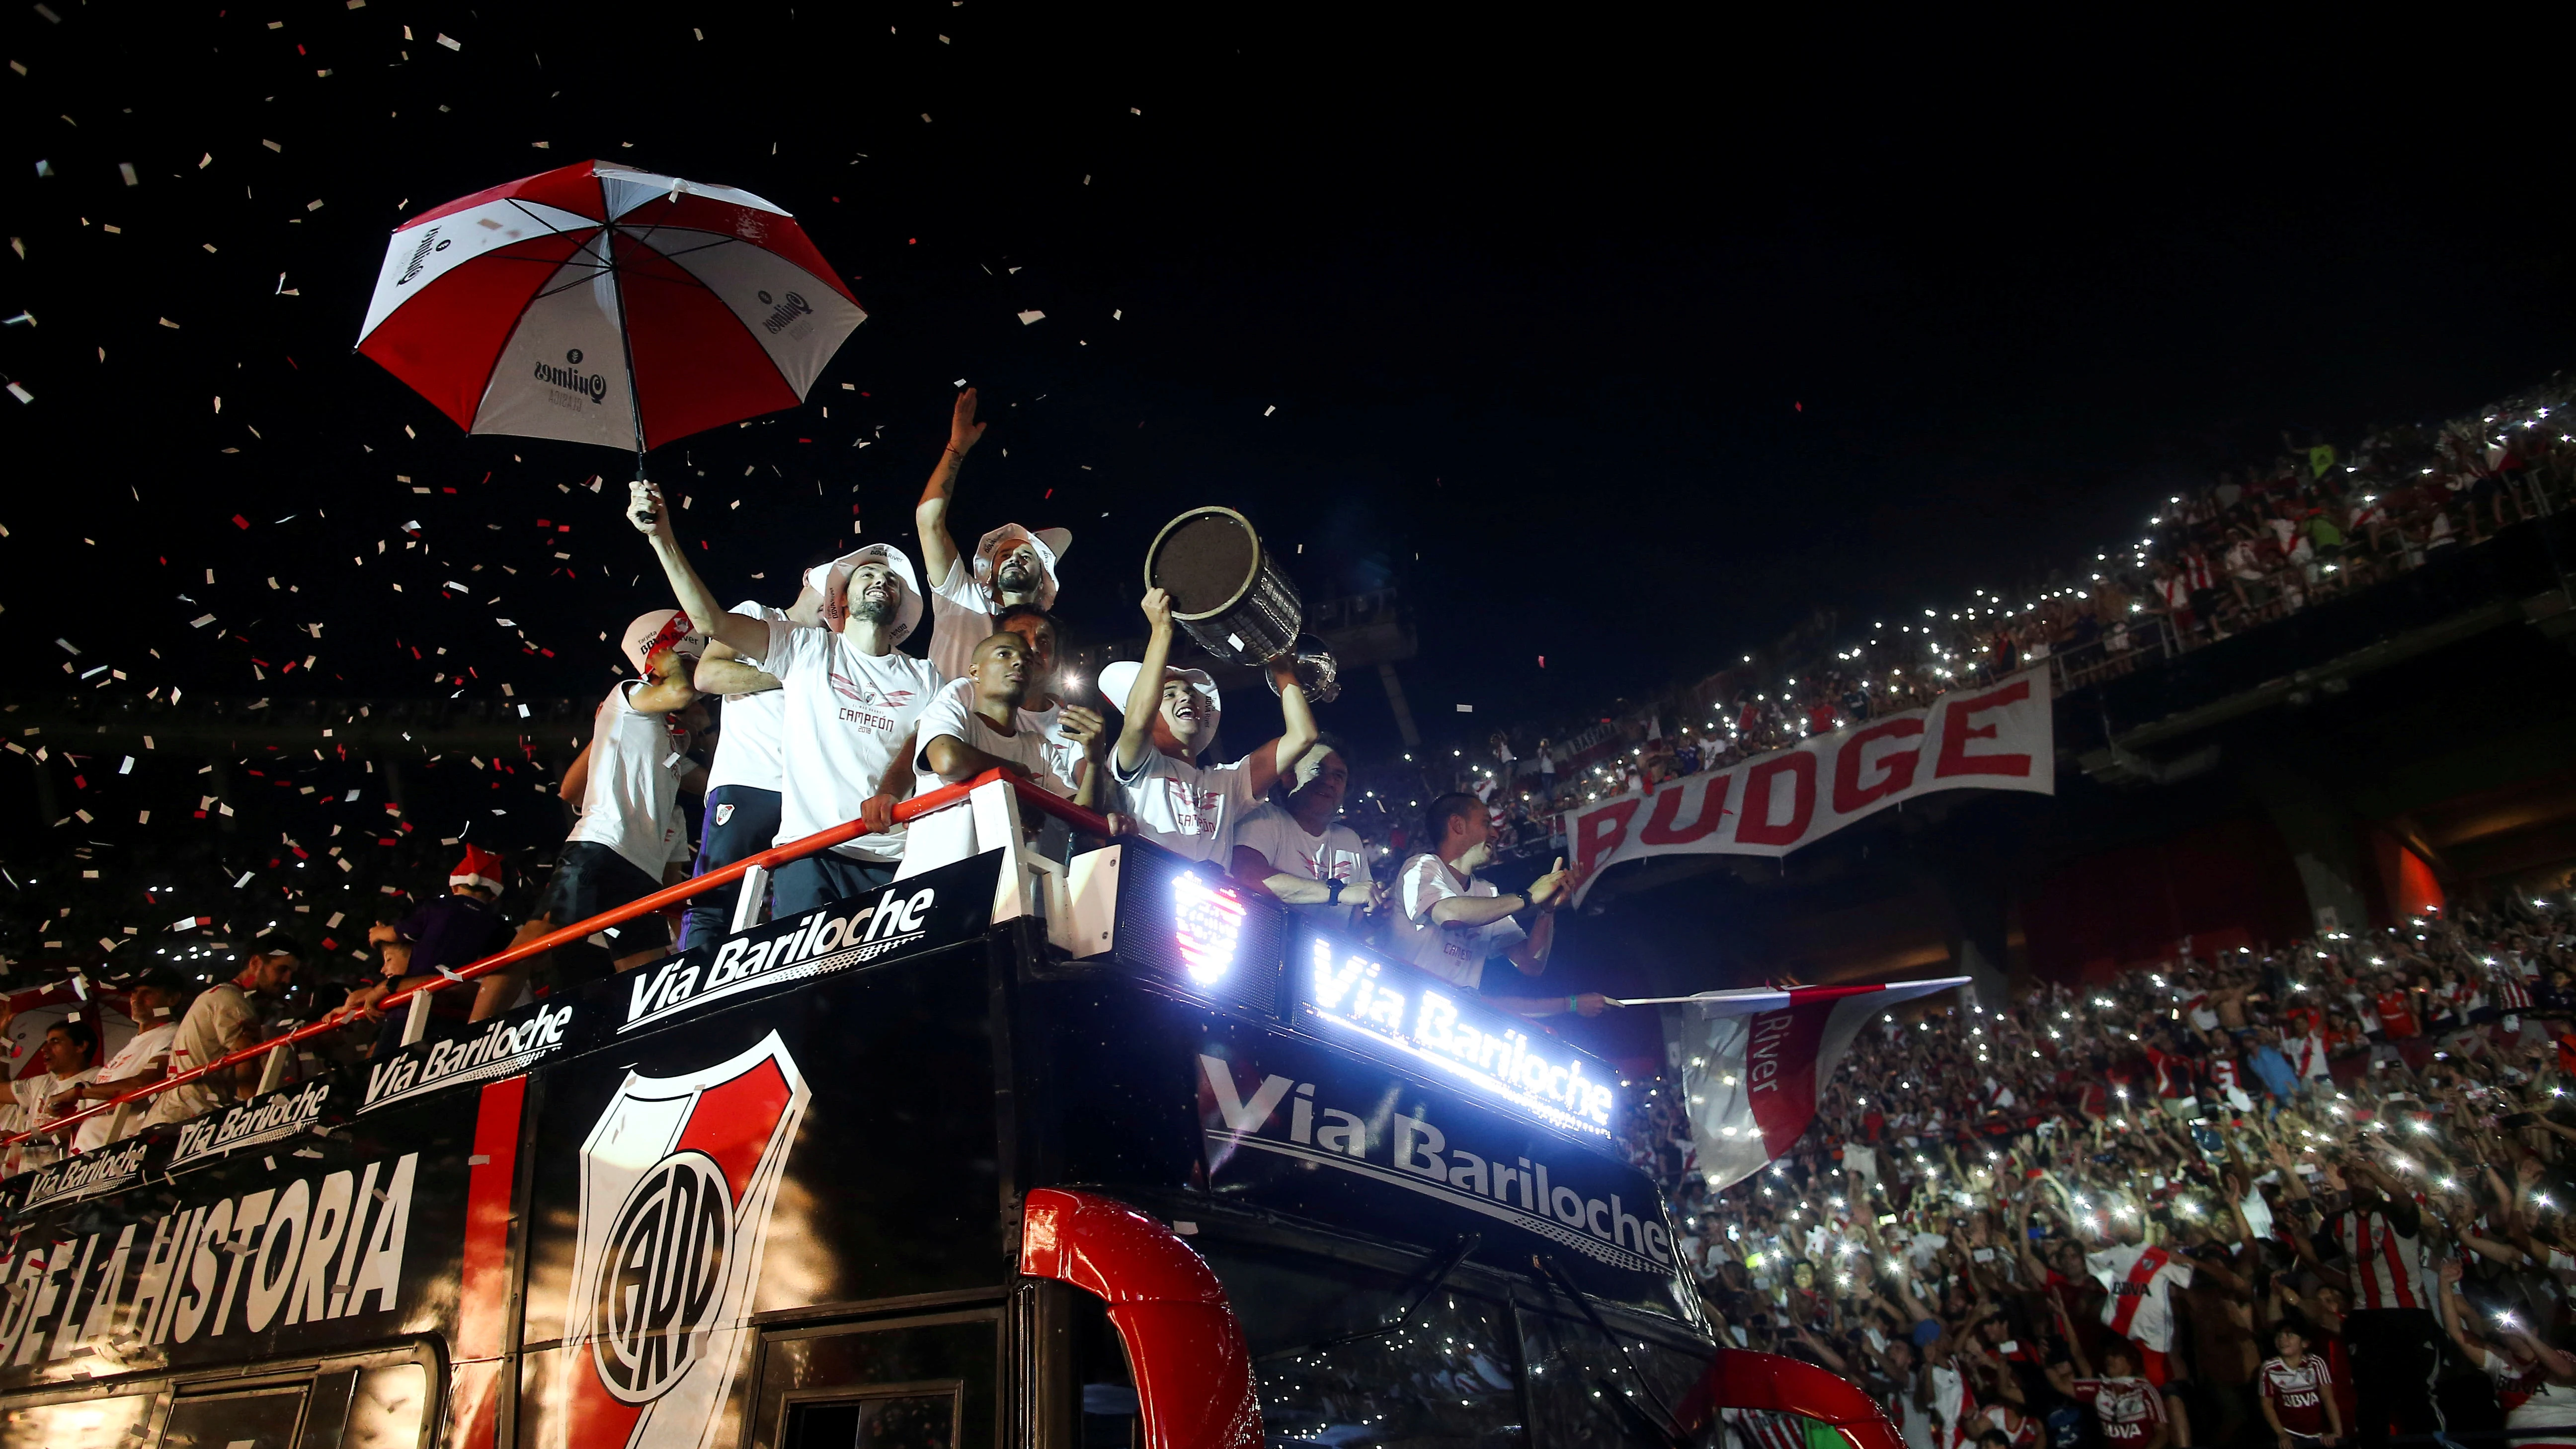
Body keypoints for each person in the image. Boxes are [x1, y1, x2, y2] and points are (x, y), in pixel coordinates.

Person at [632, 480, 942, 912]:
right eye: (866, 574)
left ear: (902, 604)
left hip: (892, 857)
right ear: (842, 599)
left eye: (891, 578)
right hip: (809, 854)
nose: (879, 580)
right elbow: (709, 621)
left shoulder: (926, 676)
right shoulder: (807, 650)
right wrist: (662, 538)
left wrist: (892, 789)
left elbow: (926, 741)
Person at [1104, 586, 1319, 864]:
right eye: (1168, 694)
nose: (1186, 696)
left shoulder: (1227, 782)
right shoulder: (1138, 766)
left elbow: (1304, 736)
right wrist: (1162, 631)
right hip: (1144, 896)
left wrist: (1281, 668)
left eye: (1190, 693)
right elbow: (1136, 723)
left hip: (1210, 906)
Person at [546, 609, 706, 975]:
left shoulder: (673, 750)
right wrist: (605, 733)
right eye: (689, 663)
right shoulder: (630, 699)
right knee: (539, 942)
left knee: (639, 975)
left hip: (640, 876)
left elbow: (713, 782)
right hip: (602, 849)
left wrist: (705, 728)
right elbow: (571, 791)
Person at [680, 578, 823, 948]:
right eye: (833, 585)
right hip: (748, 782)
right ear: (809, 577)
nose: (837, 599)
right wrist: (792, 675)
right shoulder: (757, 616)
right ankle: (693, 991)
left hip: (808, 795)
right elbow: (708, 675)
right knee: (716, 900)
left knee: (798, 906)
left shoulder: (834, 646)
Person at [901, 631, 1110, 873]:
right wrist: (1017, 774)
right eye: (1004, 654)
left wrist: (1094, 762)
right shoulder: (952, 714)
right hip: (936, 886)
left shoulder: (1039, 747)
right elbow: (947, 760)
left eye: (1028, 661)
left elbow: (1080, 819)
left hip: (1009, 894)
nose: (1020, 662)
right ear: (975, 672)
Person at [913, 387, 1073, 686]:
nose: (1014, 558)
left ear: (1043, 579)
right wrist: (957, 448)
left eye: (1026, 556)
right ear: (990, 570)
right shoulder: (960, 594)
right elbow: (928, 520)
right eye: (1004, 555)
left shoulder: (1045, 635)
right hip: (949, 730)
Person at [1385, 793, 1597, 1019]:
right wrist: (1528, 897)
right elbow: (1448, 915)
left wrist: (1546, 911)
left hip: (1448, 1023)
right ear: (1458, 825)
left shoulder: (1487, 892)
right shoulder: (1421, 866)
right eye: (1487, 823)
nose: (1495, 833)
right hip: (1400, 1010)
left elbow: (1530, 963)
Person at [2299, 1153, 2440, 1449]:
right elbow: (2318, 1262)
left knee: (2414, 1393)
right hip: (2367, 1317)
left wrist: (2368, 1168)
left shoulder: (2397, 1213)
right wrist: (2297, 1231)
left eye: (2362, 1175)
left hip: (2407, 1313)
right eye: (2351, 1176)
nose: (2357, 1181)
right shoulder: (2338, 1222)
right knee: (2371, 1396)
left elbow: (2401, 1194)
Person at [352, 845, 519, 1051]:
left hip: (410, 1010)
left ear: (454, 887)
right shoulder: (496, 926)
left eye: (388, 959)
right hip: (456, 1018)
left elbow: (397, 933)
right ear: (494, 896)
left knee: (385, 1070)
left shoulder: (435, 908)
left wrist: (378, 933)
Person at [142, 944, 302, 1127]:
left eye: (292, 973)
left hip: (174, 1114)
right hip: (188, 1119)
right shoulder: (234, 1001)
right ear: (256, 963)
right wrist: (264, 1119)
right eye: (282, 969)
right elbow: (246, 1072)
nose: (287, 979)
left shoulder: (219, 995)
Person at [1230, 733, 1380, 929]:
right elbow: (1246, 875)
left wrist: (1375, 915)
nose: (1330, 782)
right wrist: (1337, 892)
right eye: (1318, 770)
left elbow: (1357, 922)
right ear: (1288, 777)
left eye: (1339, 776)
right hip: (1266, 952)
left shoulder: (1349, 841)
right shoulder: (1265, 818)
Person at [2435, 1257, 2576, 1449]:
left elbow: (2567, 1373)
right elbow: (2456, 1333)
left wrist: (2525, 1335)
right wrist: (2444, 1284)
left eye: (2517, 1322)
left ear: (2534, 1329)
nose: (2509, 1329)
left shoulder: (2557, 1357)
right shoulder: (2498, 1360)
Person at [61, 972, 186, 1150]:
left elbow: (143, 1084)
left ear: (173, 999)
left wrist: (81, 1092)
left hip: (125, 1152)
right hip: (91, 1155)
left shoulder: (173, 1034)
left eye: (148, 993)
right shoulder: (132, 1044)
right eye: (135, 992)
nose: (137, 999)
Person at [2047, 1338, 2170, 1449]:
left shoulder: (2145, 1391)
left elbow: (2162, 1433)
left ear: (2130, 1361)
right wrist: (2045, 1360)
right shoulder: (2100, 1388)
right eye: (2107, 1355)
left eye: (2115, 1355)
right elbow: (2060, 1385)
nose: (2108, 1359)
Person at [2257, 1324, 2344, 1449]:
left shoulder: (2316, 1363)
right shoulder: (2269, 1368)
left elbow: (2328, 1399)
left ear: (2305, 1343)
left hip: (2318, 1435)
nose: (2282, 1339)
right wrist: (2282, 1434)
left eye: (2289, 1335)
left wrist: (2337, 1433)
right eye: (2279, 1335)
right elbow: (2267, 1405)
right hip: (2290, 1436)